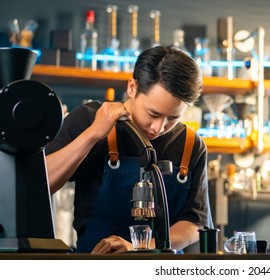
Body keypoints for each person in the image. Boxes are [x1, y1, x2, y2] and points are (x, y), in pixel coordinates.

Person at [45, 45, 212, 254]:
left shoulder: (191, 145)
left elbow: (194, 223)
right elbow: (41, 185)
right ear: (132, 88)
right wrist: (93, 134)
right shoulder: (88, 119)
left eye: (172, 118)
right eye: (153, 113)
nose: (158, 128)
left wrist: (139, 248)